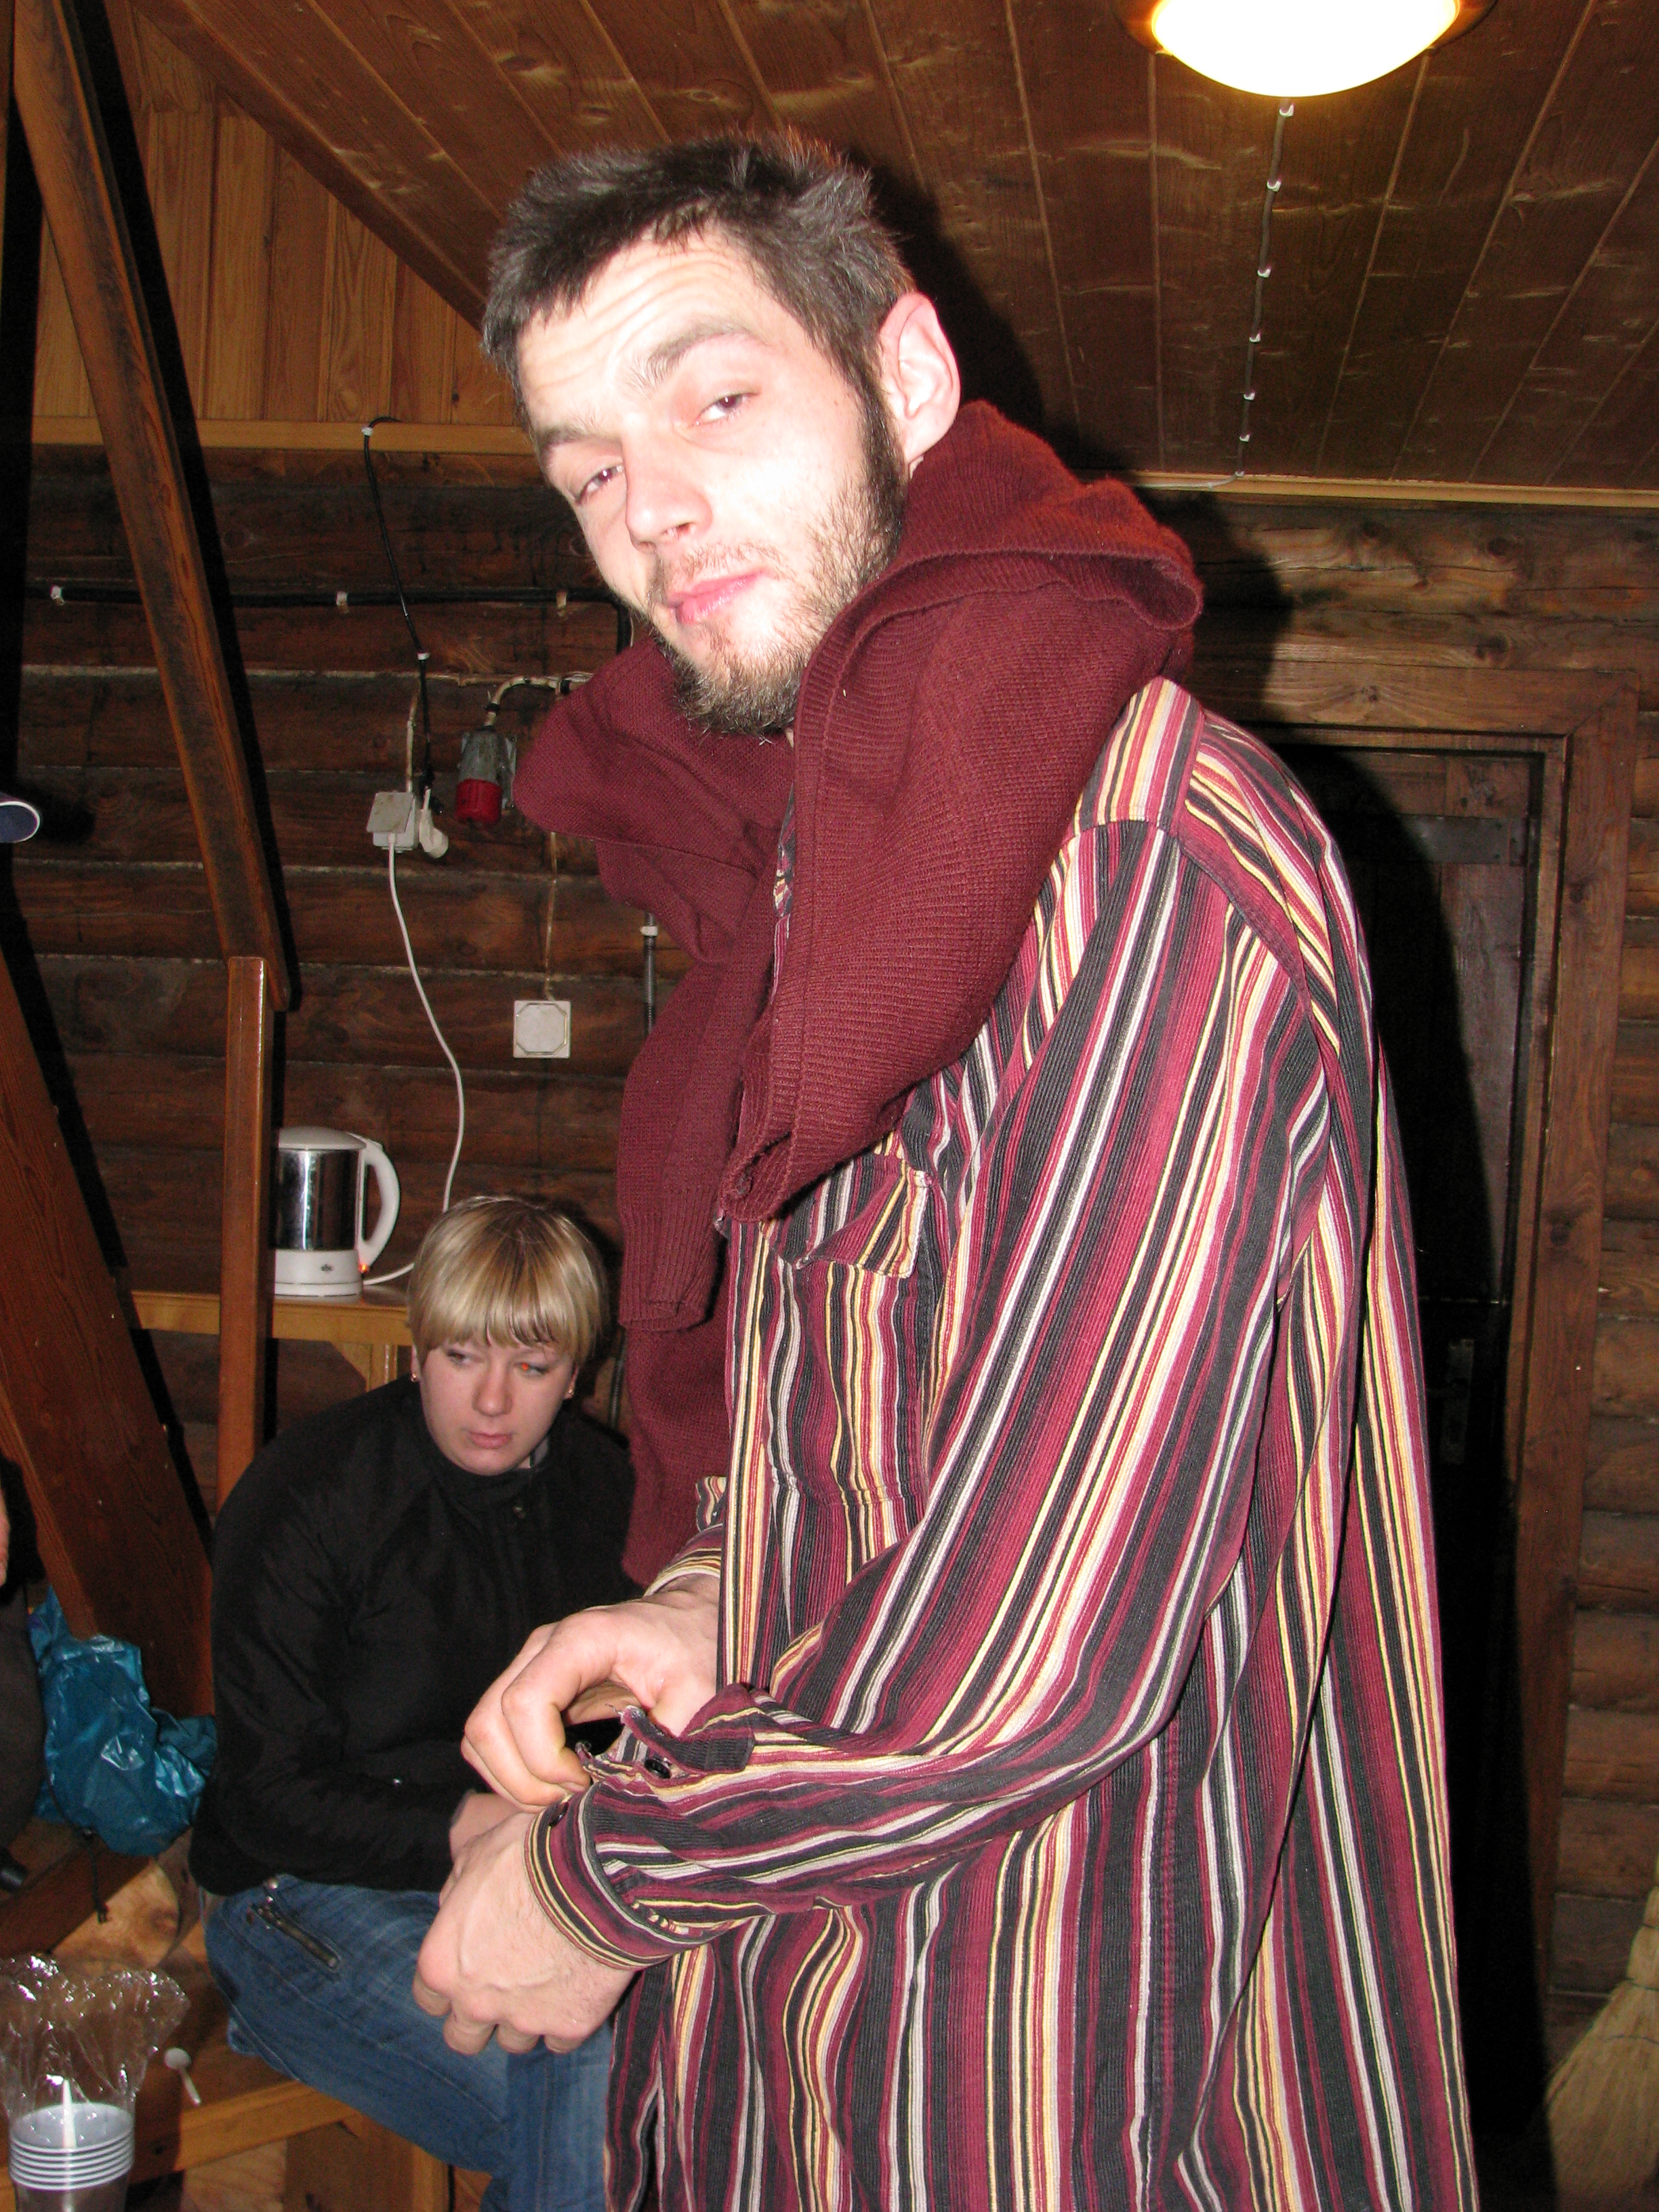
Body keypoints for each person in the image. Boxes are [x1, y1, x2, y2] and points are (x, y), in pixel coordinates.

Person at [414, 136, 1478, 2210]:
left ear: (905, 379)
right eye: (589, 466)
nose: (651, 506)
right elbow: (886, 1418)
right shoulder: (843, 890)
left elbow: (1040, 1646)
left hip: (1078, 2094)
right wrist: (714, 1589)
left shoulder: (1151, 860)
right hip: (797, 2063)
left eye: (718, 398)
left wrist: (592, 1885)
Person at [191, 1197, 632, 2212]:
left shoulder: (606, 1491)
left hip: (536, 1879)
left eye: (532, 1367)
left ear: (576, 1370)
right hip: (294, 1897)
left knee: (659, 2086)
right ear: (418, 1344)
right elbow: (263, 1798)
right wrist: (475, 1826)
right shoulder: (311, 1494)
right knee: (598, 2113)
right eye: (462, 1357)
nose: (492, 1400)